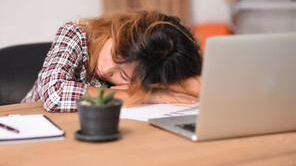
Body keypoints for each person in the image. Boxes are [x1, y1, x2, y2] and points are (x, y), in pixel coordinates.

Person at [22, 9, 202, 112]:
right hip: (29, 125)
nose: (107, 69)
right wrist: (143, 95)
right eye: (114, 54)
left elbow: (200, 86)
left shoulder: (148, 70)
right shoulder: (74, 34)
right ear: (118, 30)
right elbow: (55, 95)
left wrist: (154, 85)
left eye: (123, 75)